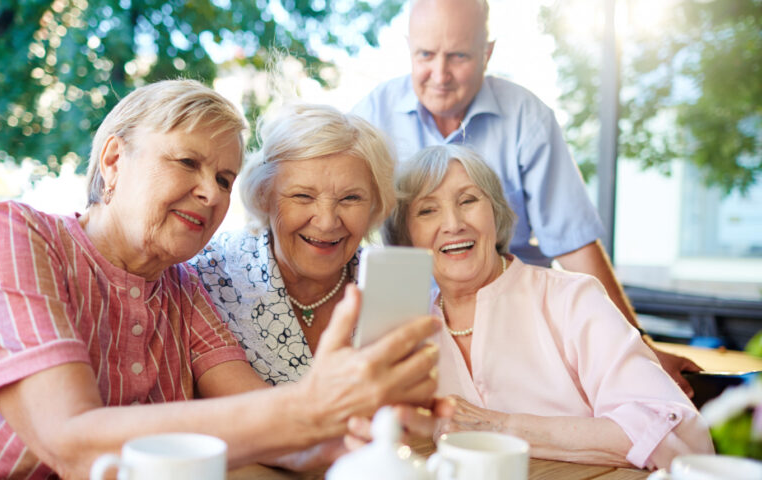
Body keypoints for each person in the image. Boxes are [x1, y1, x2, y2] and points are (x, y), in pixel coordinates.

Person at [0, 80, 440, 478]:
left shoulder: (184, 289)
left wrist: (365, 431)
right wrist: (310, 407)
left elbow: (262, 418)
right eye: (187, 163)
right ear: (114, 160)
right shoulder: (13, 235)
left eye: (223, 179)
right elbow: (71, 441)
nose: (211, 194)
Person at [352, 0, 701, 393]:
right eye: (426, 55)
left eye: (459, 56)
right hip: (413, 322)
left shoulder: (528, 118)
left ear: (487, 53)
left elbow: (575, 245)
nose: (440, 74)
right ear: (409, 48)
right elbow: (345, 231)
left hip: (518, 321)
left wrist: (639, 348)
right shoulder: (370, 117)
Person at [383, 144, 714, 469]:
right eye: (427, 210)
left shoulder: (572, 299)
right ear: (405, 235)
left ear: (495, 214)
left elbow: (680, 437)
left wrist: (501, 426)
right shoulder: (405, 328)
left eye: (468, 200)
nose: (453, 223)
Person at [191, 103, 399, 384]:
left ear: (375, 203)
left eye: (350, 198)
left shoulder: (392, 283)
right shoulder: (207, 275)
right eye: (303, 196)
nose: (327, 222)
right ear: (265, 195)